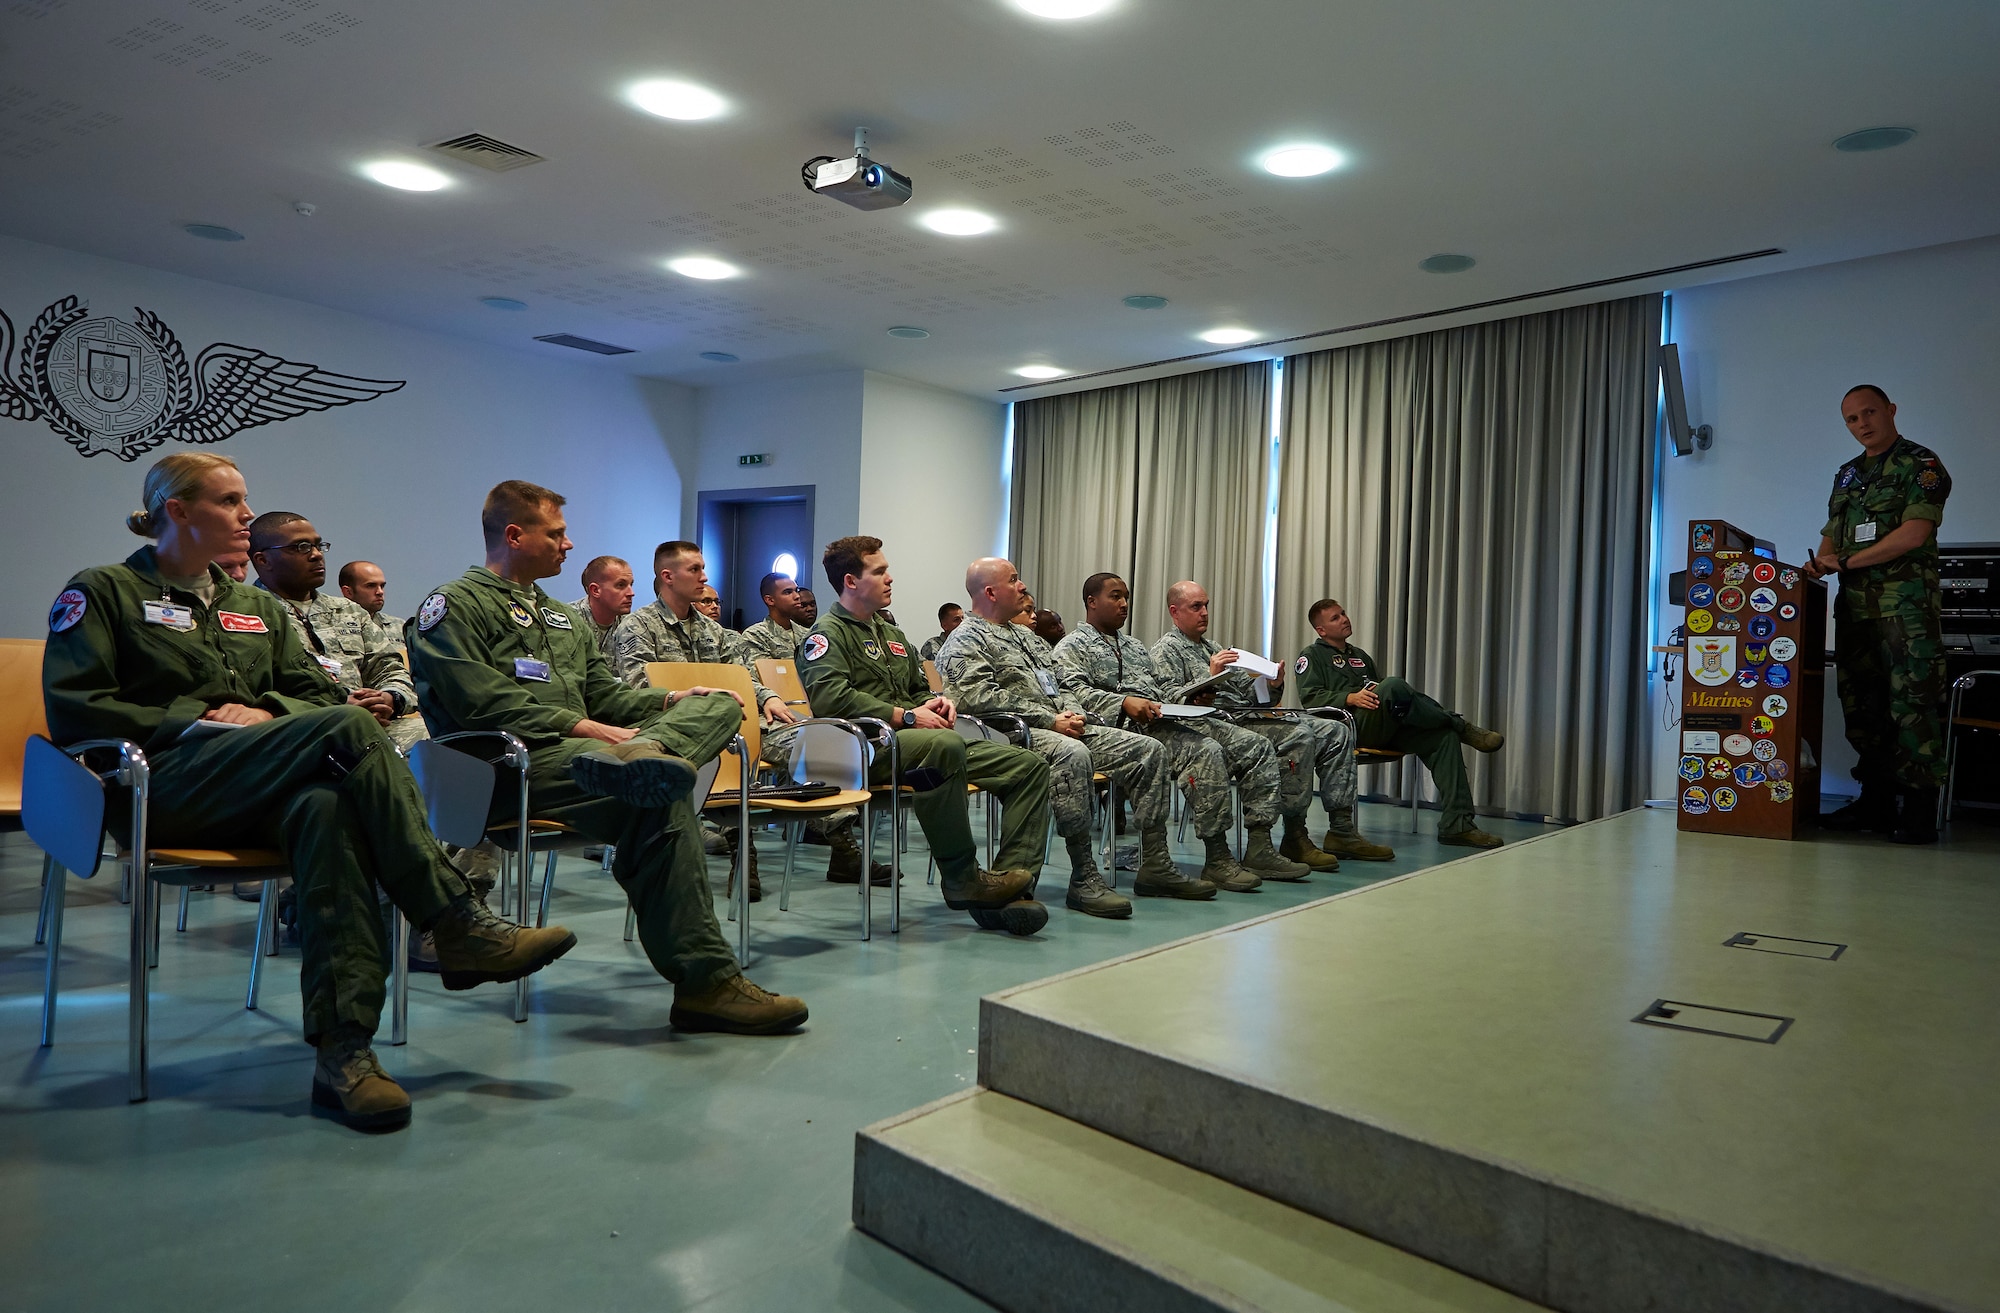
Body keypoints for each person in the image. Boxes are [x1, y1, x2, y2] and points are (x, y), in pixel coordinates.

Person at [43, 453, 575, 1132]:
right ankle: (453, 917)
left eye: (244, 500)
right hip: (161, 787)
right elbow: (75, 710)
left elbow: (313, 691)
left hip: (261, 783)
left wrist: (264, 710)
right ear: (177, 511)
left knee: (326, 811)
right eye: (229, 501)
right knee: (352, 729)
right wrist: (195, 720)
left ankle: (343, 1054)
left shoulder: (253, 605)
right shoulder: (104, 591)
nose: (244, 514)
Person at [408, 482, 806, 1033]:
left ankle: (648, 760)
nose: (569, 545)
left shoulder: (560, 619)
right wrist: (582, 726)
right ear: (515, 535)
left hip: (587, 761)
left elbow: (608, 694)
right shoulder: (454, 606)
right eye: (557, 533)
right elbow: (478, 700)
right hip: (501, 769)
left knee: (714, 710)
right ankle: (707, 985)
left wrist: (670, 699)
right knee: (663, 800)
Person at [799, 535, 1054, 935]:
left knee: (1028, 766)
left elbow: (919, 689)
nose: (890, 578)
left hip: (917, 743)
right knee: (944, 745)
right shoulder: (826, 634)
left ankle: (1010, 887)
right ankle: (962, 877)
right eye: (879, 571)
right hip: (865, 747)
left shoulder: (893, 635)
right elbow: (830, 698)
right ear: (851, 581)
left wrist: (937, 702)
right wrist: (907, 715)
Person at [940, 559, 1210, 915]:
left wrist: (1071, 713)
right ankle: (1084, 875)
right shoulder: (965, 639)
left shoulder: (1024, 636)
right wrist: (1051, 720)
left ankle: (1155, 864)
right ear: (990, 592)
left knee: (1148, 749)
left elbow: (1060, 683)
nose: (1023, 587)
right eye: (1014, 580)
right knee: (1072, 754)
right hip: (1008, 735)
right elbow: (977, 697)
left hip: (1057, 724)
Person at [1052, 574, 1309, 891]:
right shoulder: (1071, 647)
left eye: (1126, 597)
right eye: (1115, 597)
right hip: (1114, 730)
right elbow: (1072, 693)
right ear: (1092, 602)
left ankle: (1250, 849)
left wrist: (1190, 696)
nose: (1124, 604)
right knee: (1205, 751)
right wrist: (1124, 702)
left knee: (1250, 746)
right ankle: (1206, 858)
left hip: (1156, 720)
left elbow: (1159, 690)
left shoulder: (1133, 646)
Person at [1152, 581, 1393, 864]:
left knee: (1335, 730)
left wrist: (1272, 683)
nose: (1204, 612)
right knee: (1299, 735)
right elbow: (1166, 701)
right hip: (1217, 725)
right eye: (1196, 607)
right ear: (1175, 612)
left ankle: (1342, 830)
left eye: (1206, 605)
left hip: (1248, 716)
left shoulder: (1213, 647)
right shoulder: (1165, 650)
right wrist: (1208, 675)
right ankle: (1294, 834)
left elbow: (1251, 693)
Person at [1805, 384, 1953, 844]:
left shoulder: (1921, 464)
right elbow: (1832, 535)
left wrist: (1845, 562)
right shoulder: (1847, 475)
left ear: (1890, 410)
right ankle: (1876, 803)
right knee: (1862, 705)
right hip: (1855, 609)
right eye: (1851, 419)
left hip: (1904, 608)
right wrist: (1818, 565)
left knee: (1912, 705)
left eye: (1869, 412)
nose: (1862, 424)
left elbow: (1913, 533)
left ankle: (1919, 811)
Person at [610, 541, 798, 899]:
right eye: (694, 569)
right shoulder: (639, 626)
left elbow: (742, 674)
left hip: (726, 724)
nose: (704, 577)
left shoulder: (713, 631)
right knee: (726, 749)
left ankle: (833, 840)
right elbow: (638, 692)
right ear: (667, 576)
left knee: (800, 738)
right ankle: (744, 851)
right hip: (666, 729)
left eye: (702, 568)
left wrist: (768, 695)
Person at [1295, 598, 1504, 847]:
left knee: (1443, 737)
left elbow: (1384, 694)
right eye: (1335, 618)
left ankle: (1457, 825)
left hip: (1381, 724)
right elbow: (1311, 699)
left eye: (1343, 613)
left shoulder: (1360, 656)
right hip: (1349, 729)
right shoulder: (1311, 656)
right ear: (1321, 630)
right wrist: (1350, 697)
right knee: (1394, 684)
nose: (1344, 619)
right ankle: (1462, 726)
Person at [734, 570, 889, 886]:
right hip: (767, 724)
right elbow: (747, 682)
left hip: (805, 720)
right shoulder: (753, 637)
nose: (797, 597)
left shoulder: (807, 636)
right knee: (821, 748)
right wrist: (772, 697)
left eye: (796, 591)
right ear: (770, 600)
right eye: (788, 592)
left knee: (840, 741)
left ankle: (840, 848)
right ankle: (843, 848)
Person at [249, 511, 425, 752]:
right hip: (302, 730)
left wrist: (389, 698)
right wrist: (341, 704)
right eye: (301, 547)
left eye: (318, 545)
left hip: (375, 725)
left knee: (443, 743)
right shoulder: (249, 613)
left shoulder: (349, 611)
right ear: (263, 560)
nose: (316, 555)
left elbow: (389, 667)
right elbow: (257, 689)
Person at [569, 554, 634, 657]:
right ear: (595, 590)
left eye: (631, 585)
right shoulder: (569, 620)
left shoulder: (632, 624)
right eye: (621, 585)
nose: (631, 593)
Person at [338, 559, 403, 648]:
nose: (380, 592)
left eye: (382, 586)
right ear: (348, 592)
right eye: (371, 586)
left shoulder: (400, 627)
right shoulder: (330, 625)